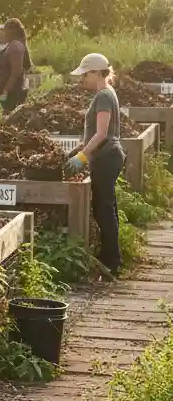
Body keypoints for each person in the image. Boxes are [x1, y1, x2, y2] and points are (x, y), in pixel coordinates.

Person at [66, 53, 125, 278]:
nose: (83, 80)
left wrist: (81, 156)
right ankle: (111, 258)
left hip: (107, 157)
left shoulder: (102, 96)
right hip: (109, 156)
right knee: (107, 207)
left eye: (85, 75)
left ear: (95, 73)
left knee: (104, 210)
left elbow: (101, 134)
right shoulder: (108, 93)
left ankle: (111, 263)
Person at [0, 17, 32, 113]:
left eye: (5, 30)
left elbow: (16, 72)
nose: (3, 33)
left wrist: (5, 91)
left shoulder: (15, 46)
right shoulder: (15, 44)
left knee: (10, 118)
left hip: (12, 93)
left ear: (11, 31)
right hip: (13, 91)